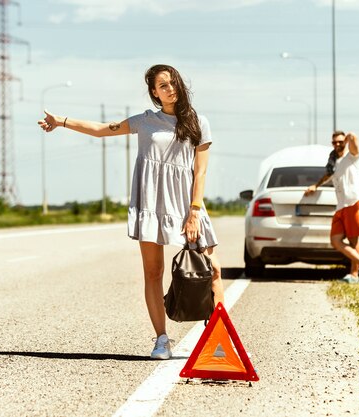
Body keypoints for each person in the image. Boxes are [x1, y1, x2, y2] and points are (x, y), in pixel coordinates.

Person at [37, 64, 224, 360]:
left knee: (212, 270)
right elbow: (101, 130)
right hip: (151, 203)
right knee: (153, 272)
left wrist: (195, 211)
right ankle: (162, 339)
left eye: (173, 82)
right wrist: (61, 121)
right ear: (154, 92)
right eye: (163, 85)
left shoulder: (198, 122)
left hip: (185, 204)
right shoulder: (145, 121)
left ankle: (217, 338)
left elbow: (200, 173)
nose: (170, 88)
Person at [304, 131, 359, 283]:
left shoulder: (352, 156)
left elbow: (355, 142)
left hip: (354, 202)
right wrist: (315, 186)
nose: (337, 145)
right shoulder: (334, 162)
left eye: (340, 142)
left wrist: (351, 136)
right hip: (341, 205)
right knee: (336, 240)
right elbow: (327, 175)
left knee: (354, 240)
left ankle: (355, 275)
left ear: (345, 142)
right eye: (334, 142)